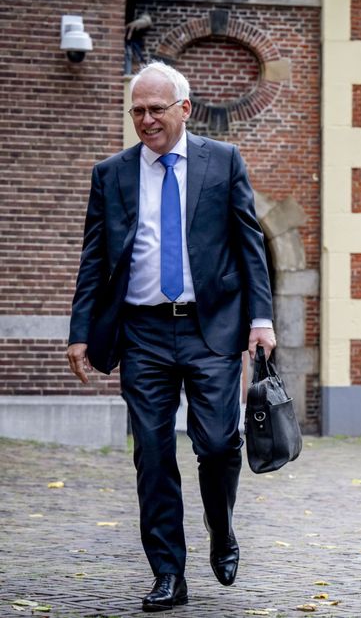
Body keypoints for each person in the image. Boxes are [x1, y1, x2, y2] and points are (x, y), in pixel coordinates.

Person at [65, 61, 275, 612]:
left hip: (212, 328)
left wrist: (262, 319)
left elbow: (249, 244)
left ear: (184, 108)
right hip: (144, 333)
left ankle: (221, 529)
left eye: (156, 109)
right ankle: (168, 573)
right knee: (153, 455)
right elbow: (95, 259)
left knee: (217, 443)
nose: (146, 119)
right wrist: (80, 331)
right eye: (137, 110)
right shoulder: (111, 174)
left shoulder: (222, 161)